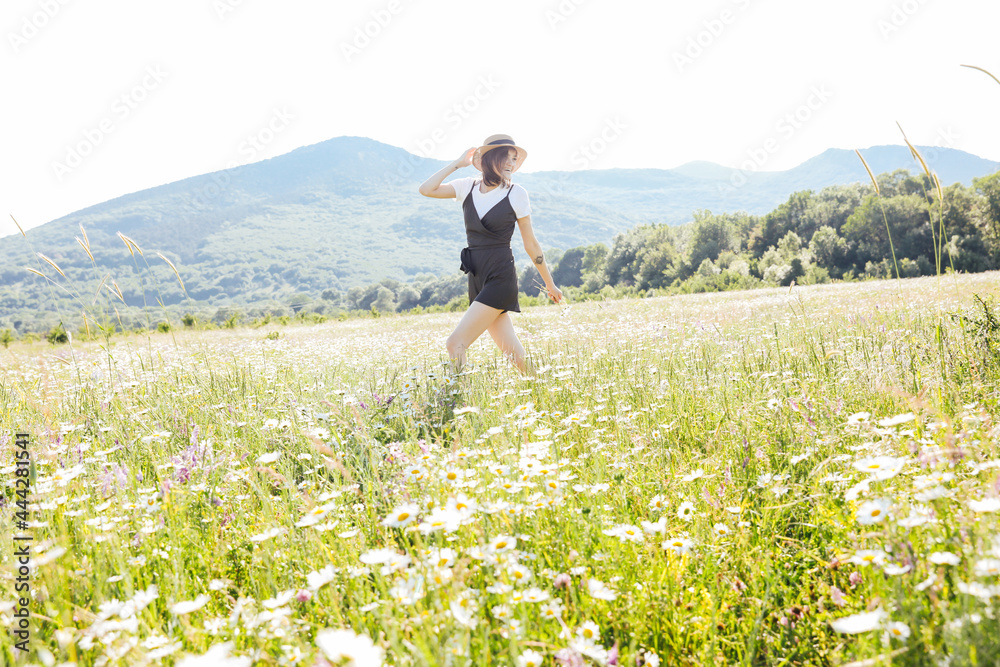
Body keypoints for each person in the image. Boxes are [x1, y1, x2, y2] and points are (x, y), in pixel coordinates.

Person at [418, 134, 563, 377]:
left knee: (455, 343)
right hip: (477, 276)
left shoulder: (517, 193)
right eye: (506, 157)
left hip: (500, 277)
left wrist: (550, 284)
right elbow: (426, 189)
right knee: (512, 352)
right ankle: (541, 389)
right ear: (489, 159)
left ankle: (458, 398)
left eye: (514, 159)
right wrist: (456, 164)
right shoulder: (467, 186)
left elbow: (531, 244)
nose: (511, 163)